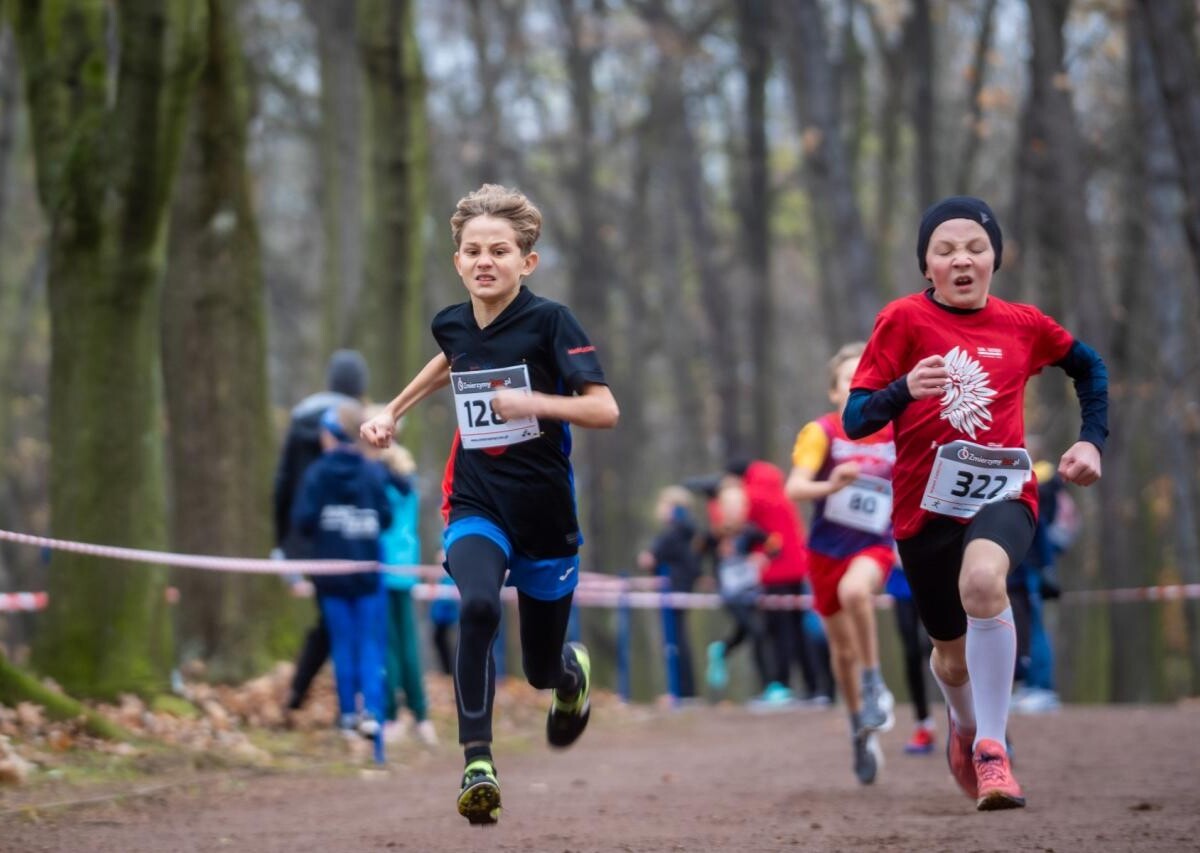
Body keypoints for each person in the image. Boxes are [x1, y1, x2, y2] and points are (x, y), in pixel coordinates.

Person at [360, 184, 619, 825]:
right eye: (472, 251)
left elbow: (604, 409)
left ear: (525, 262)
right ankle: (478, 761)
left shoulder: (552, 322)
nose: (485, 261)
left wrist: (536, 403)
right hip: (476, 501)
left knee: (536, 668)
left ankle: (569, 676)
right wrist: (390, 411)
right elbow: (452, 358)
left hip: (545, 514)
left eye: (499, 251)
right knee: (475, 608)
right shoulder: (452, 321)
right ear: (456, 261)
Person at [843, 196, 1107, 811]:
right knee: (950, 660)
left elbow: (1089, 368)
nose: (962, 259)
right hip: (923, 512)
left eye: (976, 248)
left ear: (994, 259)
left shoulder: (1024, 325)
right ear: (927, 265)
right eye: (946, 250)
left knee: (986, 582)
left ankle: (993, 750)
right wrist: (902, 389)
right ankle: (964, 728)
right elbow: (855, 419)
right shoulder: (902, 321)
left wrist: (1091, 440)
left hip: (1004, 492)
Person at [786, 342, 897, 785]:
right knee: (842, 652)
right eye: (849, 381)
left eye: (866, 380)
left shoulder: (895, 432)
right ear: (835, 392)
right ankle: (858, 727)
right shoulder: (823, 432)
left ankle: (875, 685)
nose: (858, 387)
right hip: (826, 551)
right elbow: (794, 489)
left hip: (875, 546)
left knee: (857, 591)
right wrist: (831, 483)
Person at [273, 349, 369, 715]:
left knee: (331, 620)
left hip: (306, 531)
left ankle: (304, 695)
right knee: (340, 622)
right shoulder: (358, 422)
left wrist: (283, 540)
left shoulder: (300, 419)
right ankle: (351, 706)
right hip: (352, 537)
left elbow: (283, 482)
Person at [292, 402, 392, 738]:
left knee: (342, 644)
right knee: (369, 644)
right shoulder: (371, 472)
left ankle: (349, 715)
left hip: (331, 577)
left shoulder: (317, 474)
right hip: (366, 575)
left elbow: (303, 521)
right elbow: (387, 516)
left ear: (331, 435)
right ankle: (373, 713)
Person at [724, 458, 834, 705]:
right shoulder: (778, 491)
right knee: (799, 631)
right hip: (798, 568)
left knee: (779, 634)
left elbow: (737, 526)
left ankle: (781, 686)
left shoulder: (751, 495)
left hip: (775, 573)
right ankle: (814, 687)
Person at [373, 437, 438, 746]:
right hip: (406, 565)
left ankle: (391, 716)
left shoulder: (378, 480)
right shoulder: (407, 482)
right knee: (409, 644)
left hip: (383, 567)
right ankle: (422, 716)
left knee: (390, 645)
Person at [1009, 459, 1071, 714]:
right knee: (1028, 628)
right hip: (1027, 568)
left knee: (1035, 628)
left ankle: (1042, 688)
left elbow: (1040, 532)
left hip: (1030, 569)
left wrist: (1044, 568)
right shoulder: (1038, 491)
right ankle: (1032, 685)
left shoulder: (1034, 494)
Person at [637, 486, 701, 702]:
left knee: (674, 641)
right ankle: (684, 691)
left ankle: (681, 691)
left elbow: (649, 558)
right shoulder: (688, 533)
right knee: (679, 639)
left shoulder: (673, 533)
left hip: (672, 590)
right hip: (678, 588)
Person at [885, 563, 937, 754]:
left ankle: (968, 724)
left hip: (935, 574)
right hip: (901, 579)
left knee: (944, 648)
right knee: (911, 653)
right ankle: (923, 724)